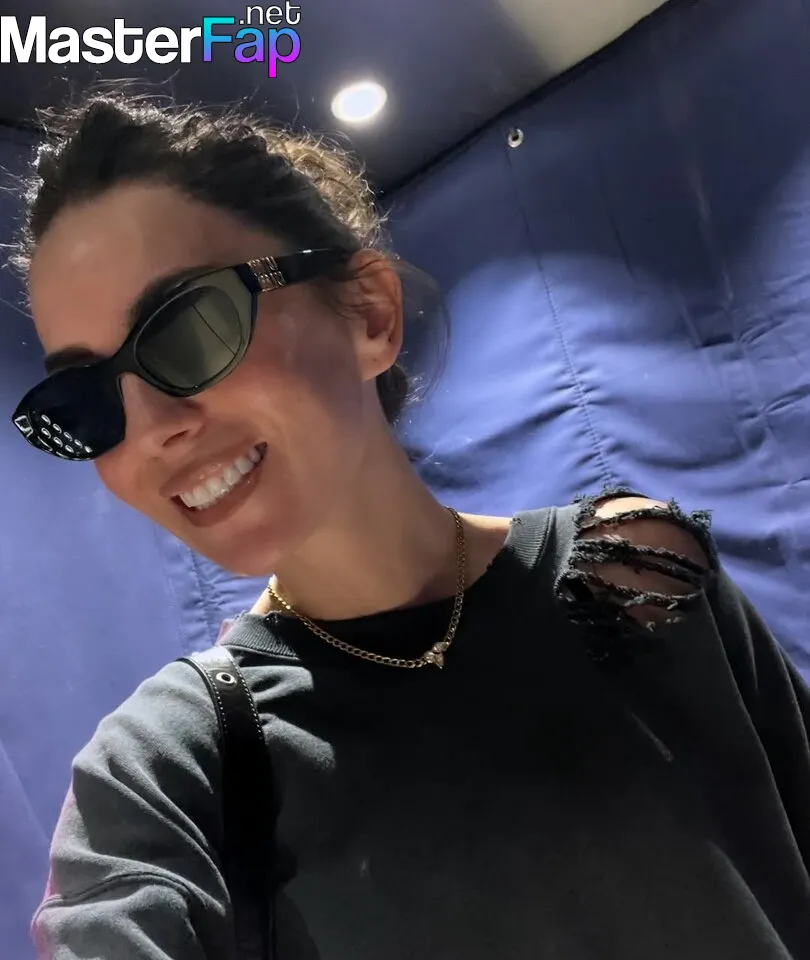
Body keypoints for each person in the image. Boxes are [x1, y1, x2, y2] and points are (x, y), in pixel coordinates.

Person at [9, 92, 810, 960]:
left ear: (369, 314)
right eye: (84, 401)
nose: (152, 429)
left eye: (189, 327)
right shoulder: (169, 768)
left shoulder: (639, 572)